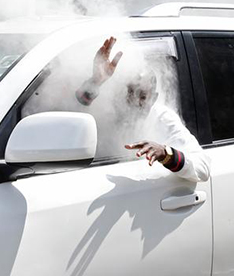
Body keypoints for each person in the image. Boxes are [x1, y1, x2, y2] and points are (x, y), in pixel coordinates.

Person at [75, 36, 210, 183]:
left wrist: (165, 154)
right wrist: (96, 81)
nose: (134, 101)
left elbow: (202, 168)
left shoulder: (162, 118)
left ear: (154, 97)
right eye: (130, 93)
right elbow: (73, 116)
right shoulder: (112, 110)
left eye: (143, 96)